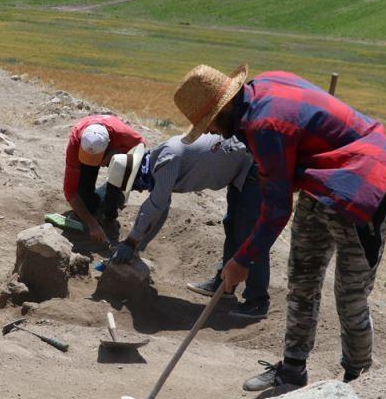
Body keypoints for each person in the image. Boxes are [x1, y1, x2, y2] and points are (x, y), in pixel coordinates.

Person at [173, 64, 386, 392]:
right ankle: (293, 370)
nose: (211, 132)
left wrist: (242, 260)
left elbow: (277, 209)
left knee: (350, 295)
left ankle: (358, 382)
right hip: (322, 176)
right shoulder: (260, 91)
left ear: (223, 110)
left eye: (210, 124)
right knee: (302, 278)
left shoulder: (263, 126)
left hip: (363, 180)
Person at [106, 133, 271, 319]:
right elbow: (161, 208)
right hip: (237, 167)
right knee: (232, 225)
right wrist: (137, 246)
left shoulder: (166, 160)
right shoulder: (154, 160)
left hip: (252, 166)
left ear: (136, 176)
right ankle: (224, 285)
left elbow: (155, 205)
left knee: (248, 233)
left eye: (135, 187)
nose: (141, 190)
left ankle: (257, 301)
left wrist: (130, 242)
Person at [63, 115, 146, 245]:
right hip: (90, 152)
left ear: (109, 143)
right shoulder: (75, 142)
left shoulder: (122, 134)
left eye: (95, 159)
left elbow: (141, 146)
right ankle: (100, 203)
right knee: (86, 206)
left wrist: (117, 153)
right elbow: (70, 192)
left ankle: (110, 212)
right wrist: (92, 223)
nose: (93, 163)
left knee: (120, 166)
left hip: (115, 152)